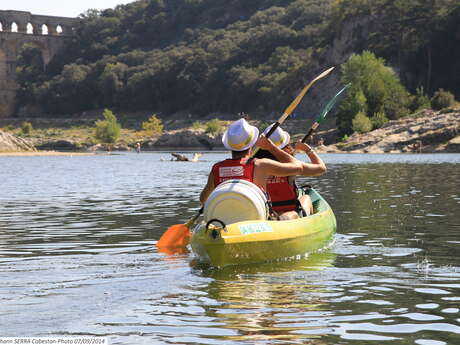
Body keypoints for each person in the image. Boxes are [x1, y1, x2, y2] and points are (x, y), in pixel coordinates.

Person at [199, 119, 303, 205]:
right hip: (253, 217)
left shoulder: (216, 168)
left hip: (224, 219)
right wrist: (274, 148)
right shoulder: (260, 164)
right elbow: (298, 167)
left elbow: (203, 199)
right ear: (251, 146)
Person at [255, 124, 327, 220]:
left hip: (266, 213)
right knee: (306, 198)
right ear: (285, 147)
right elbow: (321, 168)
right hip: (290, 214)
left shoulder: (256, 164)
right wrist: (307, 150)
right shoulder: (291, 166)